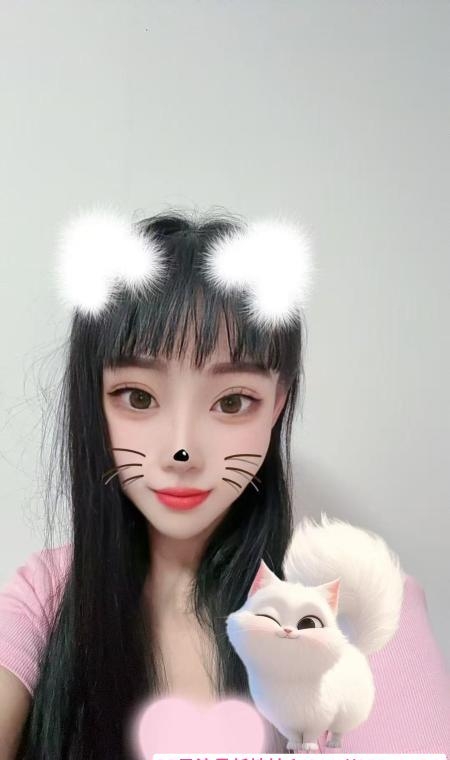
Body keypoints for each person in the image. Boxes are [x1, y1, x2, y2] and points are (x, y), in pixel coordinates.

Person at [0, 208, 448, 759]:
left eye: (232, 401)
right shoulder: (45, 596)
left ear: (277, 404)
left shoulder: (357, 598)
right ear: (93, 399)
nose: (182, 450)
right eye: (138, 397)